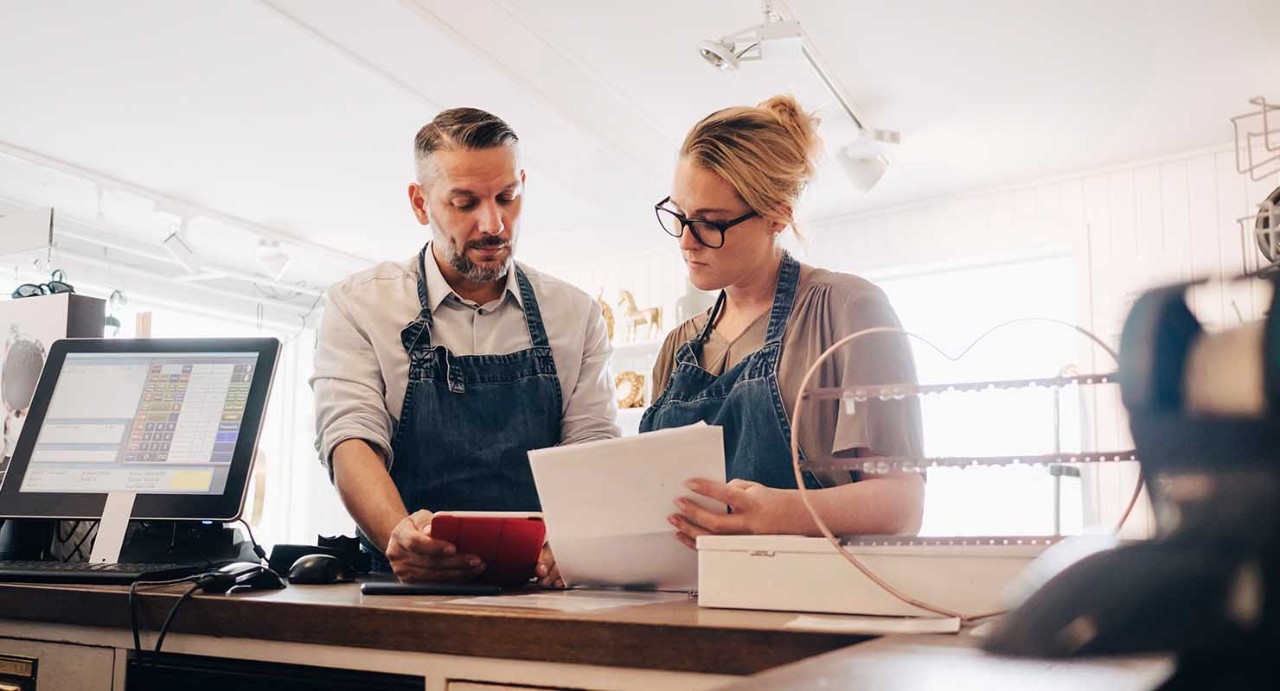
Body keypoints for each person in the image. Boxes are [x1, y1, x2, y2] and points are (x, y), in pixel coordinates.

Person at [311, 108, 619, 583]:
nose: (493, 223)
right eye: (465, 202)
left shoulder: (576, 314)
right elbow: (351, 439)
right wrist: (401, 536)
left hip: (541, 589)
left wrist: (574, 539)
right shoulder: (358, 306)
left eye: (507, 197)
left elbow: (591, 442)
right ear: (420, 203)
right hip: (403, 588)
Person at [642, 96, 925, 547]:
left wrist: (780, 512)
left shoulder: (847, 310)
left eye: (711, 223)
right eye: (679, 214)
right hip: (686, 603)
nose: (686, 241)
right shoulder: (679, 345)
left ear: (777, 215)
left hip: (809, 604)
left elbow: (902, 505)